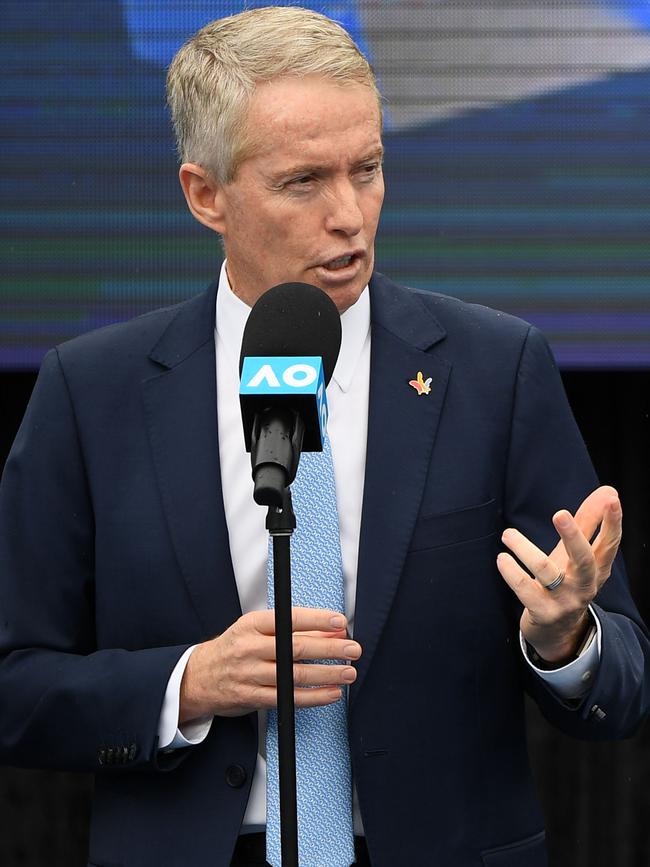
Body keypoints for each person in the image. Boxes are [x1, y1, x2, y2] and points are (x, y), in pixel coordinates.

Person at [0, 7, 647, 867]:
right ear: (205, 194)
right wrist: (187, 683)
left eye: (369, 169)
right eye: (304, 181)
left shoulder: (496, 369)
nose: (351, 215)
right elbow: (13, 683)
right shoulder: (94, 392)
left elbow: (625, 677)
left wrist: (565, 640)